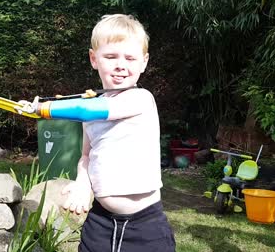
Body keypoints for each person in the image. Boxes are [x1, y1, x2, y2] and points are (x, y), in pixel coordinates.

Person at [15, 14, 175, 252]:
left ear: (144, 62)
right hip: (99, 224)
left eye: (130, 58)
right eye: (111, 56)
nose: (121, 65)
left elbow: (85, 109)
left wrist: (40, 108)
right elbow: (86, 157)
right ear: (94, 58)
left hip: (145, 227)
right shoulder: (91, 112)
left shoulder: (141, 99)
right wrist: (83, 183)